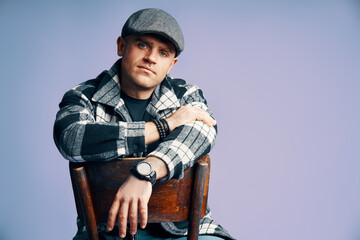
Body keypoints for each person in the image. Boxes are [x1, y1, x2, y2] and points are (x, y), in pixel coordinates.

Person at [54, 8, 234, 240]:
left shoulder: (186, 95)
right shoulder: (83, 96)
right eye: (142, 45)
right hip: (106, 232)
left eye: (163, 53)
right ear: (121, 46)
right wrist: (164, 126)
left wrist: (145, 172)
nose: (151, 58)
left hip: (181, 231)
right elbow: (72, 138)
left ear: (171, 64)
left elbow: (203, 130)